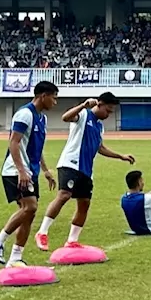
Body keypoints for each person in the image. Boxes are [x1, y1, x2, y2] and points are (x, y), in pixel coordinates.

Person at [37, 92, 130, 250]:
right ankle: (42, 232)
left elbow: (100, 148)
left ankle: (72, 241)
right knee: (64, 195)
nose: (108, 115)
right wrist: (82, 105)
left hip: (86, 170)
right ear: (99, 104)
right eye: (107, 110)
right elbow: (65, 117)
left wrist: (120, 156)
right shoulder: (84, 114)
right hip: (70, 163)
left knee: (84, 203)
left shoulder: (99, 126)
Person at [0, 81, 59, 266]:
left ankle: (15, 257)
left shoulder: (42, 119)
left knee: (29, 214)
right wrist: (21, 171)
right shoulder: (25, 114)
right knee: (30, 207)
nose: (55, 102)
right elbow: (14, 142)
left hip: (30, 172)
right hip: (15, 171)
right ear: (43, 96)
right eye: (54, 98)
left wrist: (45, 170)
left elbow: (36, 147)